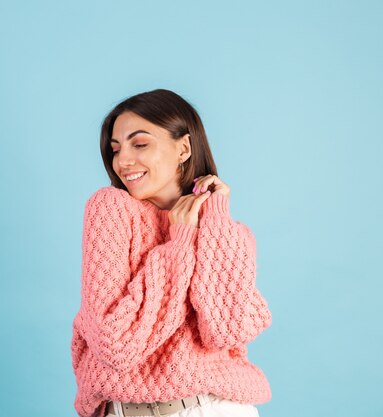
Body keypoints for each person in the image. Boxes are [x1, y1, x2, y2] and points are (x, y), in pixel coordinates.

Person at [71, 89, 272, 417]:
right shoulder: (111, 209)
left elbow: (227, 330)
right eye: (115, 149)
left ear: (183, 148)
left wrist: (214, 216)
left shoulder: (231, 233)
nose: (122, 161)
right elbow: (114, 345)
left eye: (140, 144)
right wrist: (177, 246)